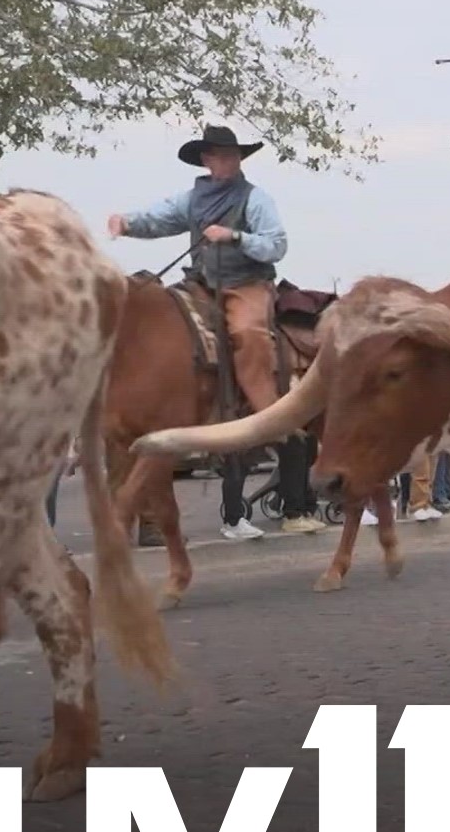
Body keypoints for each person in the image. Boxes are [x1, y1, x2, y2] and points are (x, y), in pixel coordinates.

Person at [107, 124, 323, 540]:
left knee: (247, 334)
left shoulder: (255, 198)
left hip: (246, 285)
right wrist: (127, 223)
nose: (226, 161)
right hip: (203, 281)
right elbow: (159, 218)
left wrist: (235, 236)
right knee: (168, 326)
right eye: (219, 155)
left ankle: (267, 412)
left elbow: (276, 245)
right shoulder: (193, 198)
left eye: (232, 155)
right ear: (205, 160)